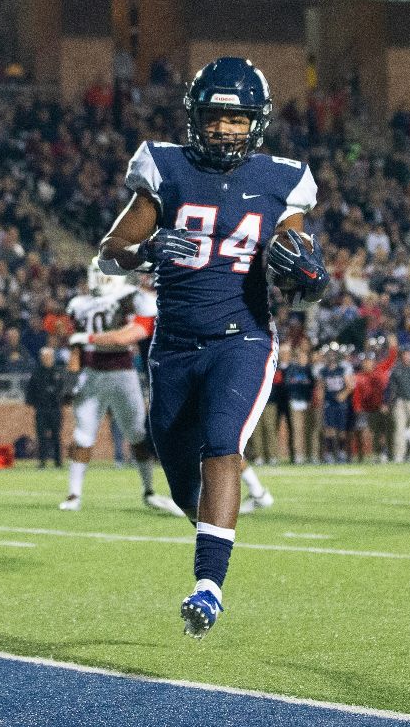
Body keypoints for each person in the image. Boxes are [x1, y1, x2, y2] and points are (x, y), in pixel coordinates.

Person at [95, 56, 325, 638]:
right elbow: (110, 248)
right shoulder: (166, 168)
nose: (225, 129)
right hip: (173, 344)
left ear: (257, 122)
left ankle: (208, 587)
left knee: (223, 441)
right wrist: (145, 250)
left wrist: (311, 277)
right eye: (215, 118)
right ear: (196, 118)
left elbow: (300, 265)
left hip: (242, 336)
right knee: (179, 476)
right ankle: (208, 533)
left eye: (237, 119)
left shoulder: (280, 180)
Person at [59, 258, 182, 515]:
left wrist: (89, 341)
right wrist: (70, 380)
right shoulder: (79, 304)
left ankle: (149, 490)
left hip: (123, 373)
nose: (99, 278)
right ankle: (73, 494)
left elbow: (133, 332)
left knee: (137, 435)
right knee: (83, 436)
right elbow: (75, 348)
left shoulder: (129, 296)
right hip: (92, 374)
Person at [25, 347, 69, 469]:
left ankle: (58, 462)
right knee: (41, 437)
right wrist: (35, 404)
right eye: (44, 357)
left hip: (55, 409)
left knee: (56, 436)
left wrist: (61, 402)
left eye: (49, 357)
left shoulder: (59, 373)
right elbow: (30, 392)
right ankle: (42, 461)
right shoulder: (36, 374)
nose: (47, 359)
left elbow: (63, 390)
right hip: (41, 409)